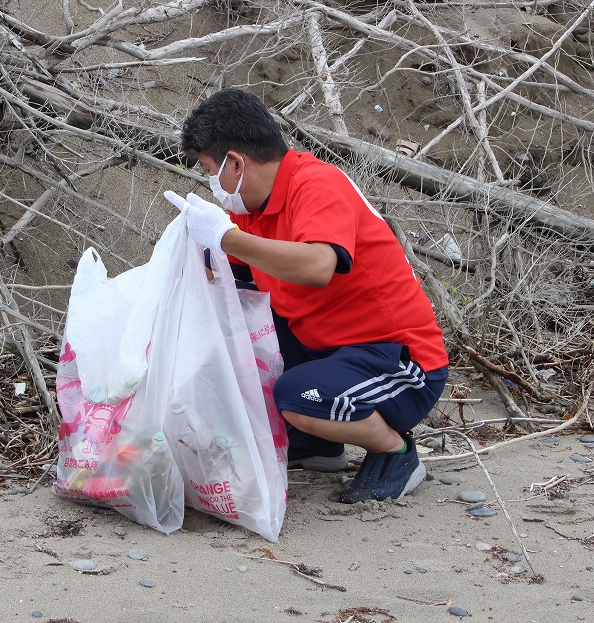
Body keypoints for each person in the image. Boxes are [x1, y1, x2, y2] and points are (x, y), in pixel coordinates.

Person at [164, 88, 448, 503]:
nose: (213, 184)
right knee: (233, 334)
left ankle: (395, 450)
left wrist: (225, 238)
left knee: (295, 397)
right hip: (332, 349)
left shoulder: (317, 185)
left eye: (210, 169)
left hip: (400, 361)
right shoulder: (254, 209)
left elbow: (318, 267)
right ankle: (316, 442)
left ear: (236, 162)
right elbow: (233, 279)